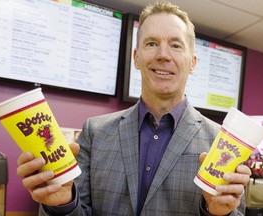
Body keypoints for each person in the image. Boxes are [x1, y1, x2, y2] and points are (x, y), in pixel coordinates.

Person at [17, 1, 251, 215]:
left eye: (176, 45)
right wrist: (62, 204)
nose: (163, 55)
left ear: (193, 62)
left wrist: (219, 213)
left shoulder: (221, 143)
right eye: (152, 43)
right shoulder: (95, 132)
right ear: (137, 57)